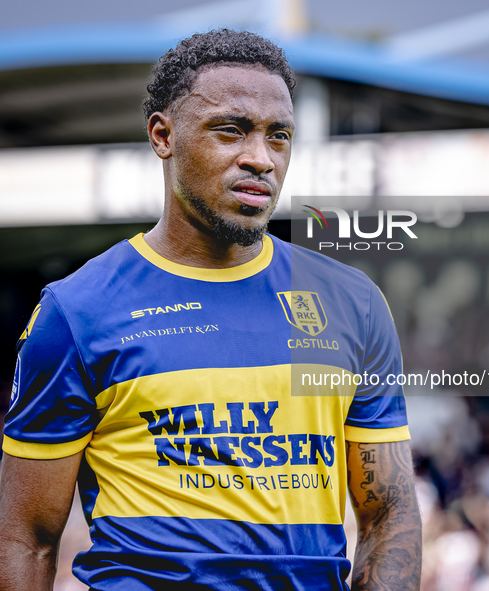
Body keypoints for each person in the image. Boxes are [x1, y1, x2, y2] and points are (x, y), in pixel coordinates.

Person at [0, 29, 421, 591]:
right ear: (162, 135)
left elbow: (389, 515)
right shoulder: (77, 311)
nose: (261, 159)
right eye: (231, 130)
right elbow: (26, 539)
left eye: (279, 137)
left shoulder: (353, 302)